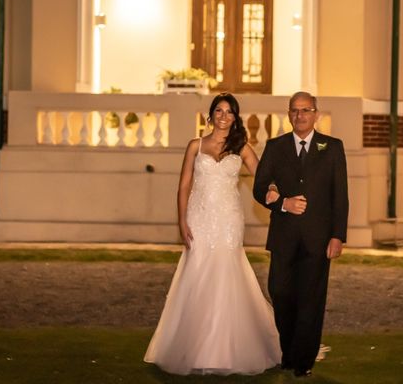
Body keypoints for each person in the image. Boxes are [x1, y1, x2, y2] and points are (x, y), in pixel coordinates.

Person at [144, 93, 281, 375]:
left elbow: (263, 176)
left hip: (229, 219)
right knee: (198, 275)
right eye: (218, 110)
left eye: (229, 112)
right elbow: (183, 187)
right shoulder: (195, 145)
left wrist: (276, 191)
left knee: (226, 275)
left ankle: (227, 349)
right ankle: (193, 348)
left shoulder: (241, 147)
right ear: (210, 115)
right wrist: (182, 221)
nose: (223, 116)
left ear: (235, 117)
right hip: (199, 217)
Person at [253, 91, 349, 378]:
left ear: (315, 113)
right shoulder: (275, 146)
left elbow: (340, 196)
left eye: (306, 110)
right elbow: (259, 187)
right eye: (295, 110)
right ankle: (288, 349)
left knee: (311, 299)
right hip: (283, 236)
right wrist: (282, 202)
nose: (300, 115)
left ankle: (302, 360)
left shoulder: (331, 147)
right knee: (280, 292)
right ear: (289, 114)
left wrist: (338, 235)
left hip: (318, 239)